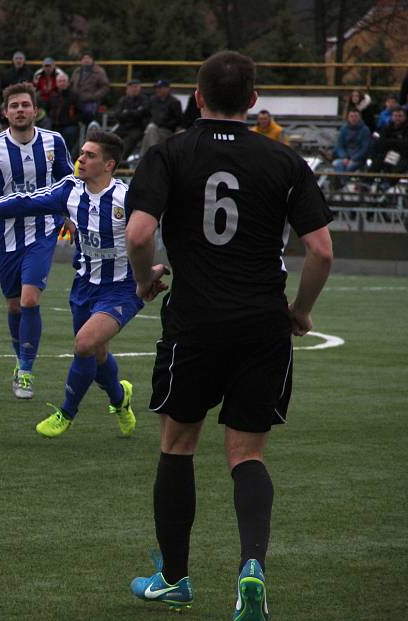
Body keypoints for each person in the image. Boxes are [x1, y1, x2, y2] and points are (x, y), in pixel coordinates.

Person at [124, 50, 333, 620]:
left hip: (194, 322)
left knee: (178, 444)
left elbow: (140, 234)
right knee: (247, 454)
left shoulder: (169, 153)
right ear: (253, 102)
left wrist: (146, 283)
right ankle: (252, 567)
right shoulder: (285, 160)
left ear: (196, 97)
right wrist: (301, 311)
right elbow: (321, 250)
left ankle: (174, 579)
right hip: (263, 324)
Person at [0, 130, 153, 437]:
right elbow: (25, 202)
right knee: (97, 353)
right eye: (81, 153)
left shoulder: (126, 198)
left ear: (109, 165)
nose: (81, 159)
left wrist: (149, 272)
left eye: (90, 155)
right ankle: (120, 399)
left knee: (85, 344)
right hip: (84, 287)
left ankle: (66, 413)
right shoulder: (70, 190)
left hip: (121, 288)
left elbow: (148, 235)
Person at [0, 83, 74, 399]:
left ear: (35, 110)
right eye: (14, 105)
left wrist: (70, 214)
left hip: (44, 231)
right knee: (15, 305)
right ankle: (20, 359)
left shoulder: (53, 142)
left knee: (30, 299)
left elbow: (69, 181)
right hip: (5, 235)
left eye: (25, 105)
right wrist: (0, 207)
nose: (20, 110)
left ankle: (26, 371)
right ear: (5, 112)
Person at [140, 79, 183, 155]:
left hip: (167, 130)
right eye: (157, 88)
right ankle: (153, 156)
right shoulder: (153, 100)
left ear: (167, 88)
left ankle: (146, 157)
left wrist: (162, 123)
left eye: (160, 88)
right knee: (151, 129)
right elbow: (145, 114)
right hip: (152, 128)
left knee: (150, 131)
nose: (158, 90)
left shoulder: (174, 102)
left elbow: (178, 120)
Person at [332, 108, 372, 182]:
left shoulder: (365, 130)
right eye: (351, 116)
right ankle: (342, 183)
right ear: (348, 117)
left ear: (359, 117)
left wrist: (354, 158)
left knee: (349, 167)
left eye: (356, 116)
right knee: (337, 164)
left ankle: (342, 184)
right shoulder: (343, 129)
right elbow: (339, 145)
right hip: (345, 158)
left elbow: (365, 148)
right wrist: (344, 157)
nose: (354, 118)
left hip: (359, 159)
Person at [70, 51, 110, 124]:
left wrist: (94, 96)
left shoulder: (99, 71)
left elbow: (105, 87)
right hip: (76, 101)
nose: (86, 60)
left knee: (88, 116)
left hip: (91, 102)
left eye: (88, 58)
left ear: (92, 60)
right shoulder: (77, 71)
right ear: (81, 61)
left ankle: (87, 133)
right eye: (84, 58)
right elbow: (72, 85)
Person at [114, 79, 149, 160]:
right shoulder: (123, 100)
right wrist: (134, 111)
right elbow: (117, 115)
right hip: (123, 126)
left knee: (129, 140)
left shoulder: (144, 99)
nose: (134, 89)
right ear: (127, 89)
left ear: (140, 88)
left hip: (138, 127)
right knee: (111, 139)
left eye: (136, 87)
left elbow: (142, 113)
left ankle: (120, 162)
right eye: (131, 87)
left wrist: (127, 112)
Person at [370, 106, 408, 181]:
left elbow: (405, 144)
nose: (397, 118)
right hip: (387, 153)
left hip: (404, 155)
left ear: (405, 117)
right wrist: (396, 142)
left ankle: (387, 184)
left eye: (400, 116)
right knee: (377, 161)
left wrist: (390, 142)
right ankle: (366, 183)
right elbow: (381, 142)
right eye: (395, 116)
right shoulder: (387, 127)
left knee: (396, 164)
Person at [47, 72, 80, 154]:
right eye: (60, 81)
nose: (62, 83)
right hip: (54, 125)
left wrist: (72, 120)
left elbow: (80, 112)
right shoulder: (53, 95)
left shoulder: (74, 96)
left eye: (64, 81)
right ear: (57, 83)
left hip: (69, 125)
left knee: (69, 133)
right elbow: (48, 109)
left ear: (68, 83)